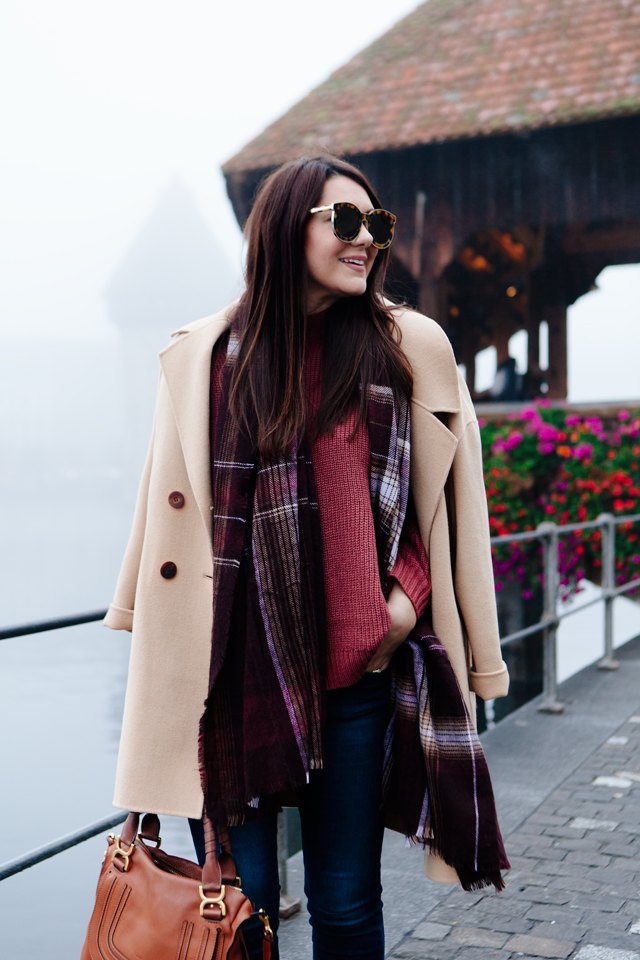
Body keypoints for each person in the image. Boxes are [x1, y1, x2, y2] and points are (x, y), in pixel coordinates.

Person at [104, 156, 510, 960]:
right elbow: (166, 505)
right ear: (291, 228)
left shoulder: (405, 349)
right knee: (237, 915)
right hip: (230, 688)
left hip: (356, 683)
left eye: (378, 225)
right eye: (346, 222)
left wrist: (402, 605)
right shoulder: (209, 358)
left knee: (347, 907)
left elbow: (443, 511)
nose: (368, 241)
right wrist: (134, 607)